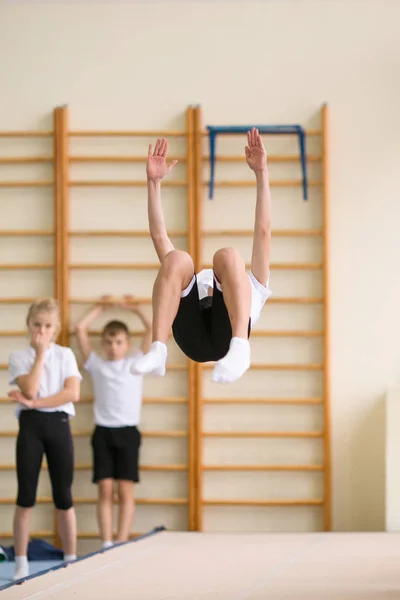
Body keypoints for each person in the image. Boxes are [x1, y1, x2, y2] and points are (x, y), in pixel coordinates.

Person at [130, 128, 272, 384]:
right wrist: (154, 183)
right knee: (177, 260)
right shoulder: (198, 281)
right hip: (191, 340)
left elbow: (263, 231)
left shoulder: (251, 286)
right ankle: (158, 349)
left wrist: (262, 173)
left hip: (227, 339)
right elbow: (159, 237)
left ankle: (241, 348)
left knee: (227, 255)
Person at [7, 298, 82, 581]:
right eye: (37, 324)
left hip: (58, 425)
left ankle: (71, 559)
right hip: (31, 428)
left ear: (56, 329)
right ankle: (21, 560)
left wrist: (35, 403)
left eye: (48, 326)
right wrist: (39, 356)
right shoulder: (19, 357)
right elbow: (31, 386)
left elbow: (71, 394)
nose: (42, 330)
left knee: (64, 496)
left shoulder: (65, 355)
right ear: (29, 325)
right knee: (25, 496)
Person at [75, 295, 151, 550]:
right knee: (105, 490)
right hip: (103, 433)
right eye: (108, 341)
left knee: (125, 491)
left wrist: (137, 309)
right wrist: (100, 308)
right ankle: (107, 541)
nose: (114, 346)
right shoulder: (96, 365)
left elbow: (153, 329)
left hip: (128, 432)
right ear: (103, 344)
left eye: (118, 341)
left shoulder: (136, 363)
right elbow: (80, 329)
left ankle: (122, 540)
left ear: (127, 343)